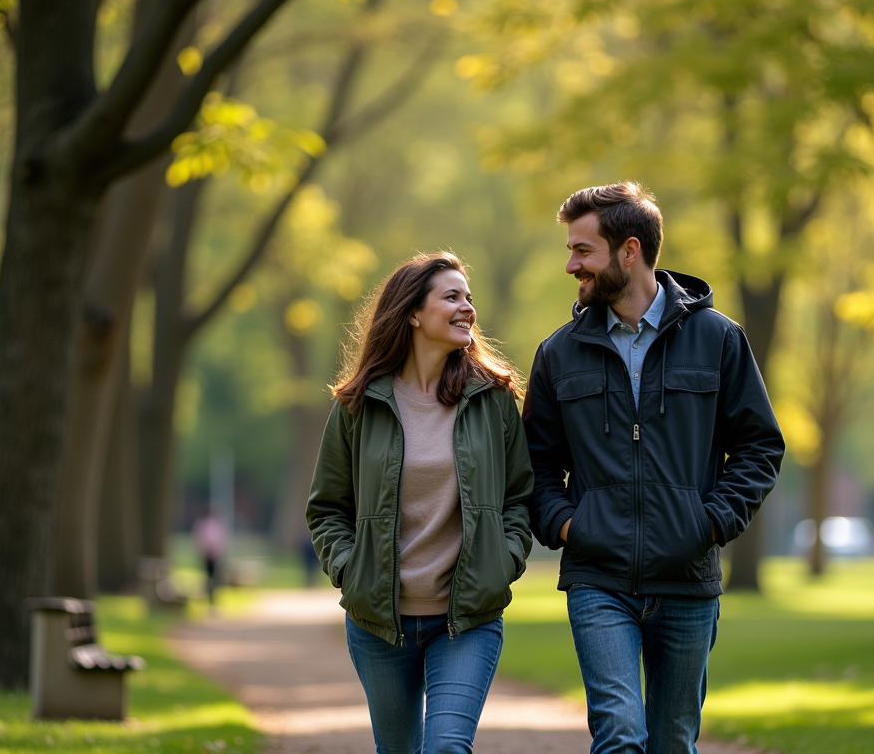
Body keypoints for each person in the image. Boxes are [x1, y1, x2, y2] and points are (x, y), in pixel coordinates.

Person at [522, 182, 785, 754]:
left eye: (583, 251)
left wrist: (711, 523)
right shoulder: (557, 353)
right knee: (619, 731)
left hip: (688, 579)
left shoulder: (718, 339)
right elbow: (535, 467)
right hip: (598, 578)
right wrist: (569, 525)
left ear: (630, 250)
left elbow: (760, 447)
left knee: (673, 742)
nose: (572, 265)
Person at [307, 252, 534, 754]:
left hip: (467, 619)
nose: (467, 308)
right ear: (413, 312)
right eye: (451, 297)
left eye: (469, 297)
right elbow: (327, 508)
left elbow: (520, 496)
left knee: (448, 748)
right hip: (379, 626)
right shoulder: (359, 404)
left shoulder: (493, 399)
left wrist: (506, 560)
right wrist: (350, 570)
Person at [192, 508, 228, 606]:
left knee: (211, 577)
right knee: (210, 577)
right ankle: (210, 597)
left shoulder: (204, 524)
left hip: (212, 555)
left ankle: (211, 597)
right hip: (210, 555)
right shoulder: (211, 524)